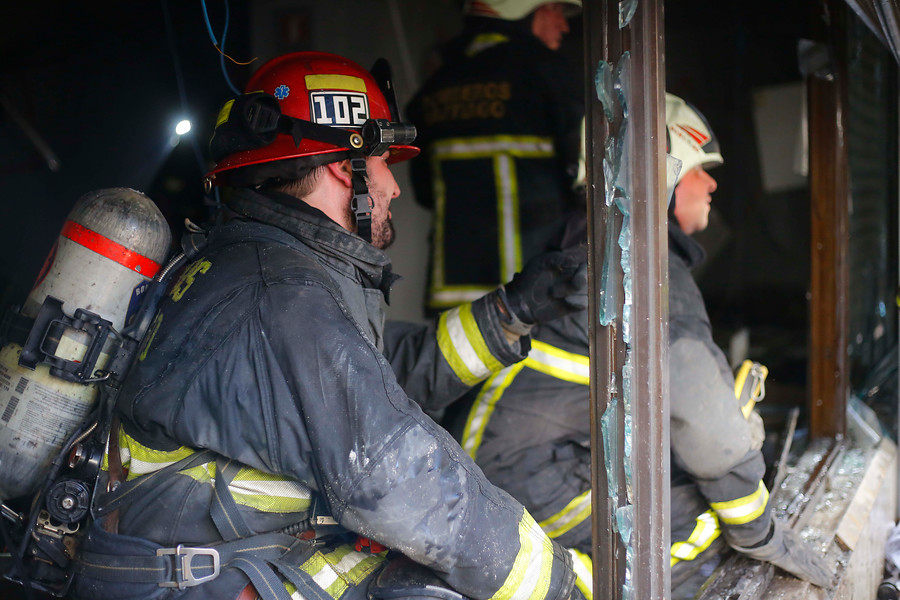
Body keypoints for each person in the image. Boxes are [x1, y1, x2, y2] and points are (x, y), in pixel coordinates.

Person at [69, 51, 589, 600]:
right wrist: (557, 585)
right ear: (348, 164)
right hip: (199, 583)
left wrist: (511, 313)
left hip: (219, 560)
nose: (391, 187)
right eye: (385, 159)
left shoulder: (259, 266)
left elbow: (381, 382)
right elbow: (401, 480)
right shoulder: (281, 296)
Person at [446, 92, 832, 595]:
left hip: (489, 476)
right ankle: (593, 586)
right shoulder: (646, 271)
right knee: (712, 527)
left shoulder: (584, 248)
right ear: (661, 177)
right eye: (699, 169)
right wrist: (762, 533)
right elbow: (703, 420)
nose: (712, 182)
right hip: (528, 487)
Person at [406, 0, 584, 314]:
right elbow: (590, 178)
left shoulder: (434, 88)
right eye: (555, 10)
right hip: (532, 297)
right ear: (521, 9)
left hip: (454, 299)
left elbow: (424, 193)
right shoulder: (550, 74)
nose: (564, 25)